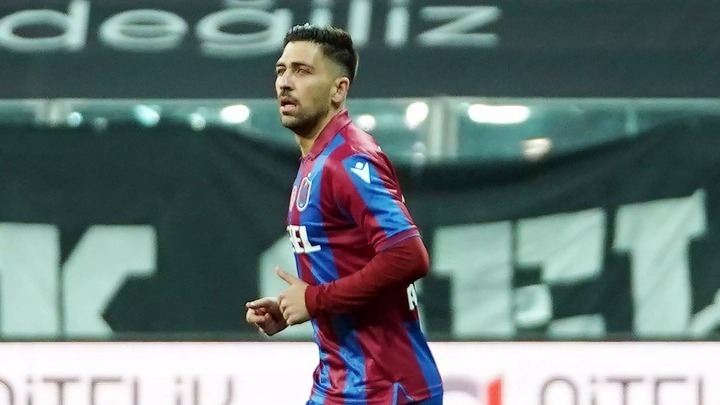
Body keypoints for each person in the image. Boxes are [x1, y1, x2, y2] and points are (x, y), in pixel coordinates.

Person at [245, 24, 444, 405]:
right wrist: (294, 307)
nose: (285, 82)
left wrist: (316, 301)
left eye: (302, 71)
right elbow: (350, 263)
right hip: (339, 382)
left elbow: (408, 256)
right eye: (281, 70)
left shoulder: (348, 159)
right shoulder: (318, 158)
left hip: (383, 387)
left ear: (338, 90)